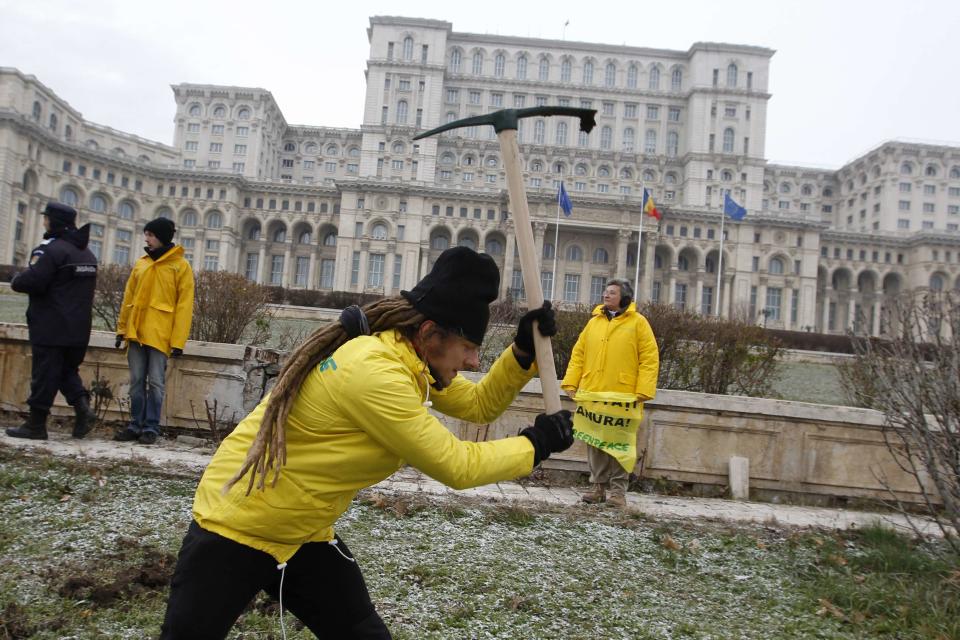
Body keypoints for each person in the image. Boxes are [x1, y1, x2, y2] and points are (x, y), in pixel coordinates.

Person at [159, 246, 573, 639]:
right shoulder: (375, 373)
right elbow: (456, 465)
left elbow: (479, 404)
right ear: (429, 332)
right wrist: (535, 445)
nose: (472, 362)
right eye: (467, 347)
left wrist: (521, 353)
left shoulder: (409, 362)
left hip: (301, 533)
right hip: (238, 526)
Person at [561, 278, 659, 508]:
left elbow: (649, 358)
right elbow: (579, 354)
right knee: (594, 442)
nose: (606, 295)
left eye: (612, 293)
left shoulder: (638, 323)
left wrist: (644, 390)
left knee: (620, 444)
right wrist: (571, 383)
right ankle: (597, 487)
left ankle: (618, 492)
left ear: (624, 298)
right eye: (605, 292)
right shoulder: (593, 322)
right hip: (593, 393)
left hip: (623, 397)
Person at [5, 201, 98, 440]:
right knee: (65, 371)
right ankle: (83, 408)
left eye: (46, 218)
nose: (44, 222)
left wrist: (16, 278)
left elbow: (33, 281)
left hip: (51, 325)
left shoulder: (51, 250)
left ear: (53, 222)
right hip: (79, 328)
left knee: (44, 375)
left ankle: (35, 425)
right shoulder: (86, 253)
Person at [113, 217, 194, 445]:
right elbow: (129, 298)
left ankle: (151, 427)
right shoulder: (141, 263)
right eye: (146, 234)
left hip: (160, 335)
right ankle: (134, 425)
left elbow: (184, 306)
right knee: (137, 381)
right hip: (135, 332)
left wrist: (178, 342)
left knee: (156, 383)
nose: (146, 238)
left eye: (150, 234)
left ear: (161, 237)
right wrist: (121, 329)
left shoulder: (181, 266)